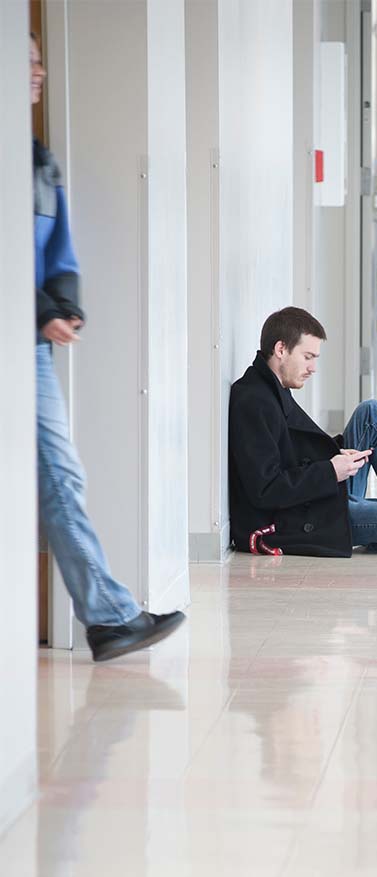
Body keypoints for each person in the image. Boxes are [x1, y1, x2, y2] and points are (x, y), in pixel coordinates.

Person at [30, 33, 184, 662]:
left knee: (61, 475)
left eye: (41, 63)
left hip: (27, 348)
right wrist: (40, 310)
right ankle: (110, 616)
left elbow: (58, 250)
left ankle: (110, 617)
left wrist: (63, 305)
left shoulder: (38, 161)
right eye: (27, 63)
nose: (40, 73)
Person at [228, 306, 377, 557]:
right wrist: (331, 470)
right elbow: (265, 490)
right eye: (308, 357)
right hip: (290, 520)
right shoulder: (253, 401)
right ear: (281, 350)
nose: (313, 368)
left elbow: (292, 452)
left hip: (313, 496)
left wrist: (339, 457)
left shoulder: (272, 387)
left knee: (372, 413)